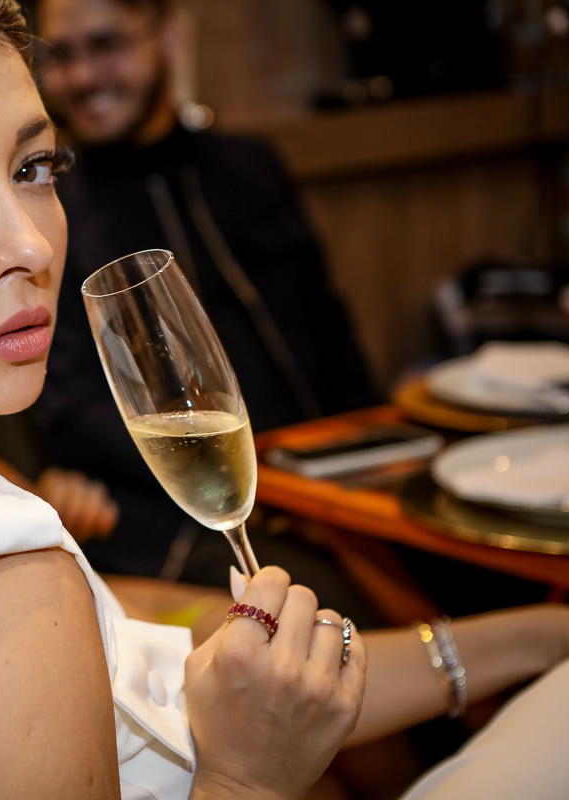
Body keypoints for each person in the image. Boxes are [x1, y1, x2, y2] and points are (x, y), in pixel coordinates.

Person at [0, 0, 569, 798]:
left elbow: (148, 661)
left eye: (34, 168)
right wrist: (249, 778)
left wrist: (534, 636)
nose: (31, 244)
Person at [29, 0, 382, 593]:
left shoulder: (251, 169)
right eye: (61, 56)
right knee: (327, 599)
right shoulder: (54, 213)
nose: (82, 77)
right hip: (183, 517)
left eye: (107, 44)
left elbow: (330, 335)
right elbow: (67, 406)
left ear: (171, 37)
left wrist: (376, 446)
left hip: (333, 481)